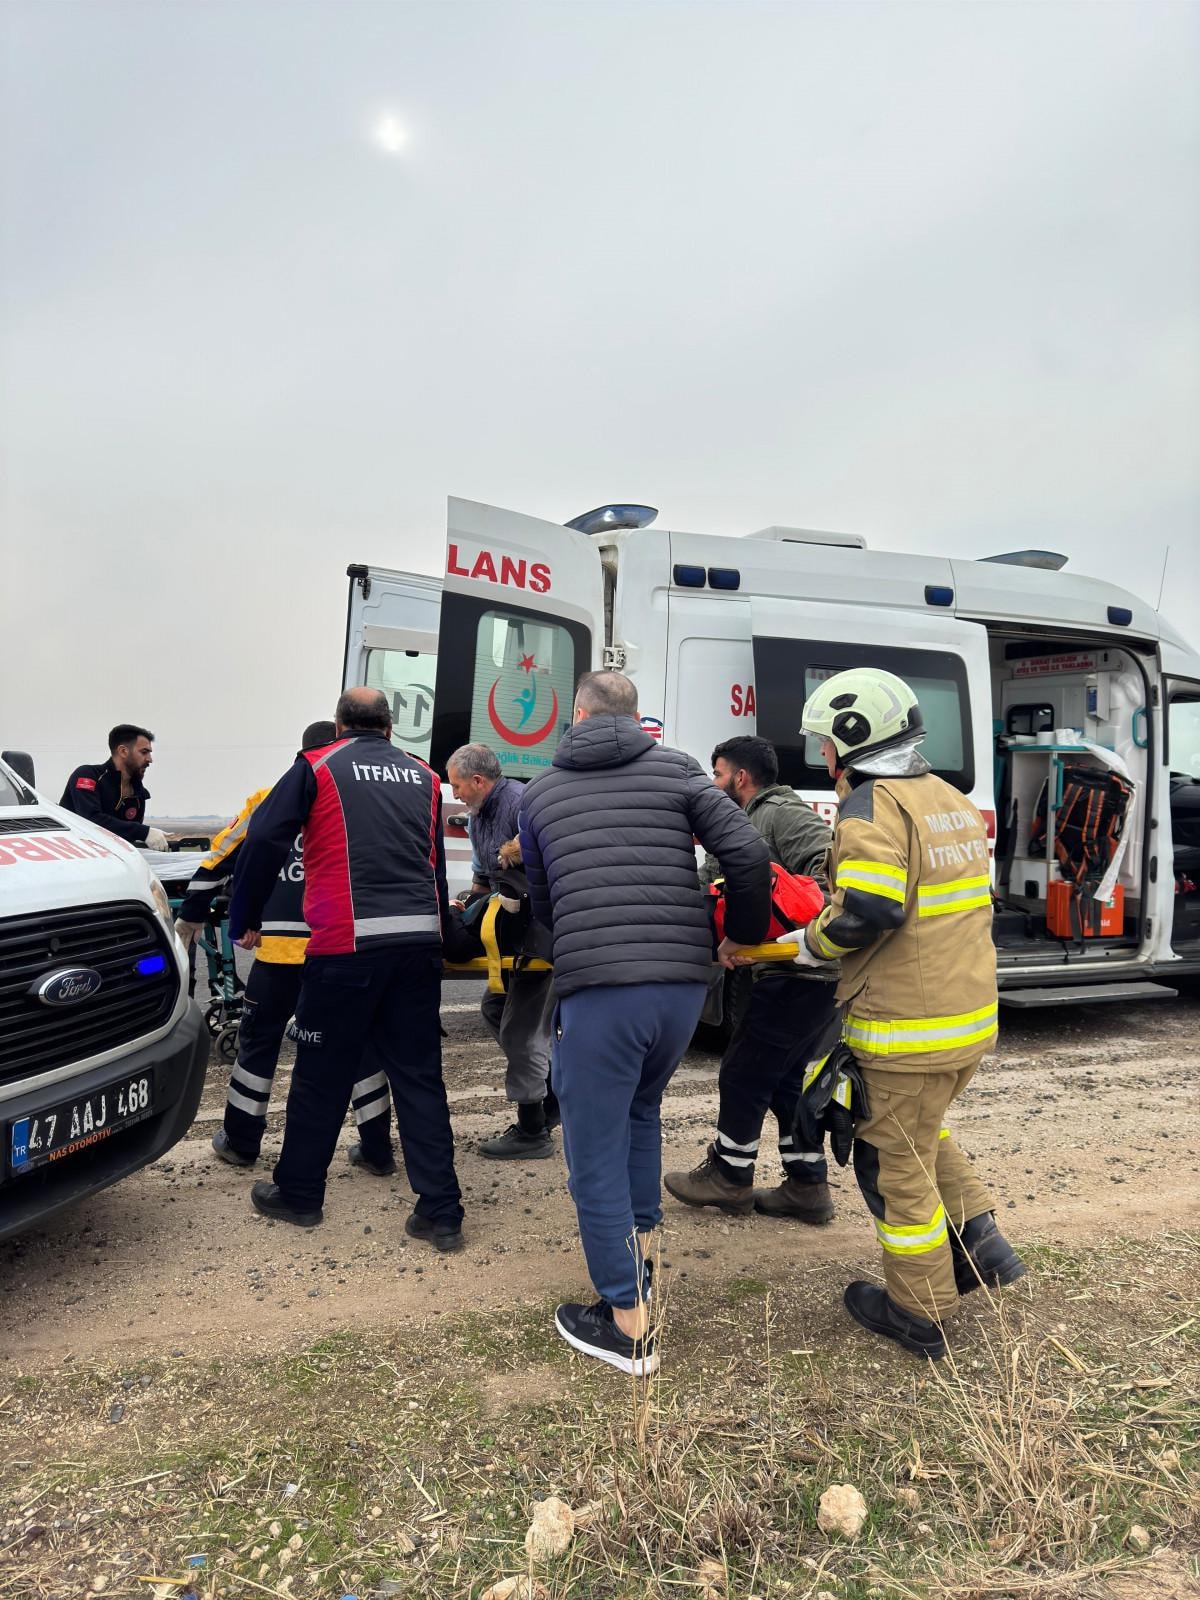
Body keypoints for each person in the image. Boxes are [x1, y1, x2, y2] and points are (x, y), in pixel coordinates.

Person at [519, 670, 770, 1374]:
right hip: (682, 989)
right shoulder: (680, 771)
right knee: (638, 1113)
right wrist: (741, 935)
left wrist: (580, 941)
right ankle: (644, 1262)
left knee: (593, 1150)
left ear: (577, 715)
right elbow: (747, 852)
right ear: (635, 719)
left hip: (602, 990)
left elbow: (543, 902)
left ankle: (627, 1326)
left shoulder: (539, 793)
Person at [791, 667, 1025, 1359]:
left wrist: (810, 942)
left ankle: (918, 1312)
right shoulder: (949, 798)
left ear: (850, 739)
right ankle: (983, 1244)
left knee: (896, 1163)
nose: (822, 755)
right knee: (920, 1132)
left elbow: (867, 910)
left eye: (824, 742)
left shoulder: (871, 806)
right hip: (965, 1018)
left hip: (907, 1027)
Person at [227, 688, 464, 1250]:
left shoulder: (317, 766)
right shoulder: (424, 776)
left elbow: (264, 837)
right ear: (389, 726)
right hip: (416, 947)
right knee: (419, 1077)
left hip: (345, 949)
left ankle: (299, 1194)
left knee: (320, 1075)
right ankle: (441, 1212)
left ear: (339, 726)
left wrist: (245, 914)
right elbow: (433, 864)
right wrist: (443, 934)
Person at [174, 720, 397, 1177]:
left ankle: (241, 1142)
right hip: (342, 951)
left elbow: (218, 858)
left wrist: (192, 914)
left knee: (258, 1046)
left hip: (278, 956)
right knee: (360, 1046)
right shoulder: (358, 802)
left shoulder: (267, 799)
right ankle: (377, 1148)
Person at [664, 735, 838, 1223]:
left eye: (718, 774)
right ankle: (807, 1185)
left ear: (740, 777)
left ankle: (730, 1177)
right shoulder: (739, 821)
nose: (713, 782)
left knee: (742, 1072)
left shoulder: (782, 813)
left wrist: (785, 921)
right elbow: (712, 886)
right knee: (784, 1080)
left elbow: (831, 877)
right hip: (787, 970)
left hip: (803, 970)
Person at [446, 742, 557, 1159]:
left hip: (538, 933)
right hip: (509, 930)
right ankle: (552, 1095)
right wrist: (468, 910)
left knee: (520, 1029)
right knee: (495, 1010)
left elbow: (549, 866)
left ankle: (533, 1131)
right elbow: (483, 879)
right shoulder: (479, 817)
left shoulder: (522, 804)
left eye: (458, 786)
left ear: (478, 781)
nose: (455, 794)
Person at [60, 725, 168, 849]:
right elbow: (90, 820)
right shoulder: (87, 776)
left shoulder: (138, 792)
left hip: (109, 857)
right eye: (144, 752)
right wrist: (143, 832)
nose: (150, 759)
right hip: (72, 853)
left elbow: (127, 839)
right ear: (123, 751)